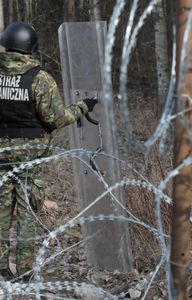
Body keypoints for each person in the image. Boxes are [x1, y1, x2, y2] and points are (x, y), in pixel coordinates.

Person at [0, 22, 98, 281]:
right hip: (29, 157)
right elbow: (56, 119)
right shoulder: (39, 78)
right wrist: (82, 107)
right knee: (27, 214)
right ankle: (25, 273)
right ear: (30, 46)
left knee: (0, 212)